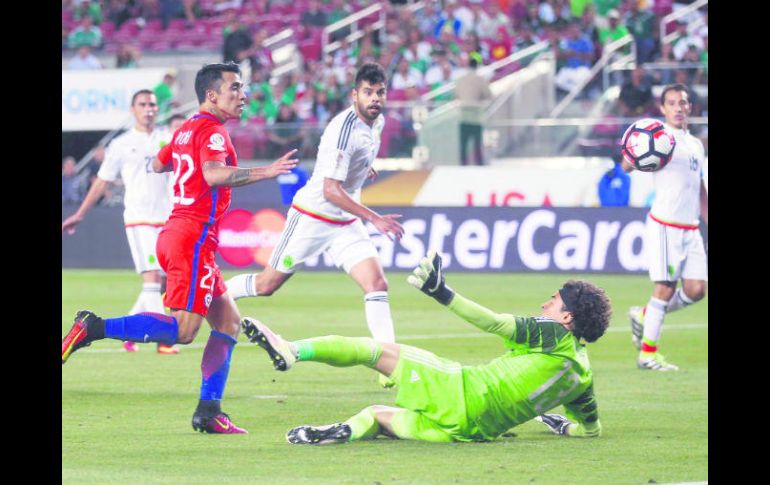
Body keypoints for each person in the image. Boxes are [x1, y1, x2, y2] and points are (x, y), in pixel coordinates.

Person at [62, 62, 299, 434]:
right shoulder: (214, 132)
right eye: (234, 88)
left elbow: (157, 165)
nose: (242, 95)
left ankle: (208, 412)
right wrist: (265, 172)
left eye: (243, 88)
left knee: (229, 322)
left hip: (180, 231)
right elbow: (213, 174)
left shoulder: (186, 128)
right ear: (211, 94)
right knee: (184, 330)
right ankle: (94, 327)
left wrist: (182, 165)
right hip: (192, 237)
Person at [240, 250, 611, 444]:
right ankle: (340, 432)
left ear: (568, 318)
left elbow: (494, 322)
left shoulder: (554, 334)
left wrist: (443, 294)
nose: (546, 304)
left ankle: (291, 350)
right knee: (375, 415)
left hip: (461, 391)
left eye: (554, 300)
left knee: (371, 350)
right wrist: (562, 424)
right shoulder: (583, 377)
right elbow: (589, 431)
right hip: (470, 432)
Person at [225, 63, 405, 388]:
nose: (375, 98)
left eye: (380, 92)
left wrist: (365, 168)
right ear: (355, 95)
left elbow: (350, 164)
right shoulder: (345, 128)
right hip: (313, 217)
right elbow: (329, 189)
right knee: (267, 285)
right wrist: (374, 218)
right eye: (368, 92)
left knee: (376, 284)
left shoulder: (376, 123)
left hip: (344, 222)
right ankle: (214, 297)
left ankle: (389, 365)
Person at [63, 90, 180, 355]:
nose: (149, 108)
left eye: (152, 104)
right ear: (133, 109)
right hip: (139, 219)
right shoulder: (121, 144)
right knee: (151, 279)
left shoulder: (168, 139)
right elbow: (103, 180)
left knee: (162, 283)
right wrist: (80, 213)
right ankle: (163, 341)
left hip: (169, 219)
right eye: (143, 104)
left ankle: (130, 334)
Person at [622, 83, 708, 371]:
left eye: (683, 102)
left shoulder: (695, 144)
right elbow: (627, 163)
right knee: (665, 288)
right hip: (665, 225)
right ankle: (648, 355)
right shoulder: (658, 137)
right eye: (672, 103)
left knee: (697, 290)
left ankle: (645, 314)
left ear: (690, 107)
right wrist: (630, 159)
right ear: (663, 109)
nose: (679, 108)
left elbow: (700, 189)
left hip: (691, 227)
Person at [454, 54, 492, 166]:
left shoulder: (460, 79)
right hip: (476, 115)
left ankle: (463, 163)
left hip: (463, 114)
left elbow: (456, 94)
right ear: (477, 66)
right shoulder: (480, 79)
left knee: (463, 143)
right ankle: (478, 163)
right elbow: (488, 95)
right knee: (477, 142)